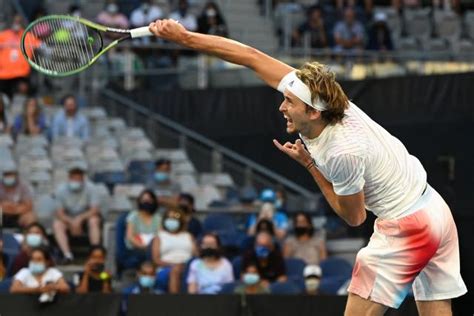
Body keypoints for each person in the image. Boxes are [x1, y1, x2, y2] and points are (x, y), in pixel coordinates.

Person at [148, 18, 467, 315]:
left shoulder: (341, 152)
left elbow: (354, 217)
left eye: (290, 103)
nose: (281, 106)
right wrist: (185, 37)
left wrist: (311, 166)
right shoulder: (327, 101)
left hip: (409, 227)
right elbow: (250, 56)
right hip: (436, 210)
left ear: (313, 113)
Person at [53, 165, 101, 263]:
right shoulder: (60, 190)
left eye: (79, 179)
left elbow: (94, 210)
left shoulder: (91, 188)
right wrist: (72, 222)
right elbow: (59, 213)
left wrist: (80, 219)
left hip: (86, 217)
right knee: (57, 224)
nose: (76, 181)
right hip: (68, 218)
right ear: (69, 178)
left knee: (94, 220)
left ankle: (95, 252)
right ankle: (67, 255)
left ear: (83, 179)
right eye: (74, 178)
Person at [151, 208, 196, 293]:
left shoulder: (188, 236)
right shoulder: (159, 237)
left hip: (187, 266)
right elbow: (156, 259)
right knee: (175, 271)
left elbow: (195, 255)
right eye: (169, 218)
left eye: (174, 218)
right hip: (166, 267)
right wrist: (174, 265)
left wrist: (186, 265)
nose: (171, 220)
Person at [0, 15, 32, 99]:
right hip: (3, 74)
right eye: (15, 21)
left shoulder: (28, 36)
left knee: (21, 95)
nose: (17, 24)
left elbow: (40, 46)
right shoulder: (3, 35)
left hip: (21, 74)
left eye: (19, 22)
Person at [125, 189, 161, 263]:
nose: (146, 202)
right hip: (136, 248)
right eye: (144, 200)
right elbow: (130, 237)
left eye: (149, 200)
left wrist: (151, 247)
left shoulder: (158, 218)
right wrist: (143, 247)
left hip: (153, 248)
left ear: (153, 202)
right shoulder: (133, 215)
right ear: (139, 201)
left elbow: (160, 235)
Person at [0, 162, 36, 228]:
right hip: (2, 213)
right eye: (6, 174)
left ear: (16, 175)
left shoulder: (24, 187)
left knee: (31, 217)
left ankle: (26, 237)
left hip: (18, 213)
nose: (8, 176)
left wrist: (14, 208)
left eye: (11, 174)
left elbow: (28, 206)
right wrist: (5, 206)